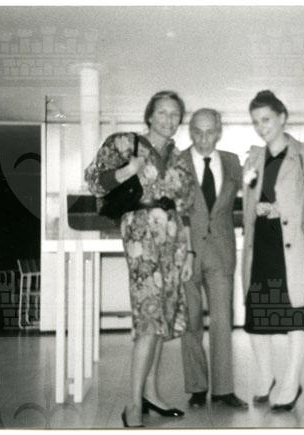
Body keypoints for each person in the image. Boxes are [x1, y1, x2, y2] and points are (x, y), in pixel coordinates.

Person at [84, 90, 196, 428]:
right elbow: (93, 180)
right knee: (149, 316)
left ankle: (151, 394)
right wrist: (126, 171)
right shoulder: (124, 143)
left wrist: (189, 252)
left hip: (173, 242)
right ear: (149, 115)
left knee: (162, 316)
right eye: (162, 112)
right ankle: (133, 404)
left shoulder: (178, 156)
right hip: (141, 237)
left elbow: (185, 208)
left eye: (175, 114)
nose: (168, 119)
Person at [241, 90, 304, 412]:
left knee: (296, 313)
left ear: (282, 118)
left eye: (266, 119)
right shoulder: (254, 158)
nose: (261, 127)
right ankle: (266, 376)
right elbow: (249, 200)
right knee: (258, 313)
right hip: (260, 244)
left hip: (292, 244)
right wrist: (260, 209)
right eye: (255, 122)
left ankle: (291, 381)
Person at [179, 108, 247, 409]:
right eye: (197, 132)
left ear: (218, 131)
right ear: (190, 131)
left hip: (221, 251)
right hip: (186, 252)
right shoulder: (177, 161)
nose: (203, 139)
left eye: (209, 132)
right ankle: (197, 387)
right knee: (190, 321)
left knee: (222, 320)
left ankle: (223, 389)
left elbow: (253, 195)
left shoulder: (233, 162)